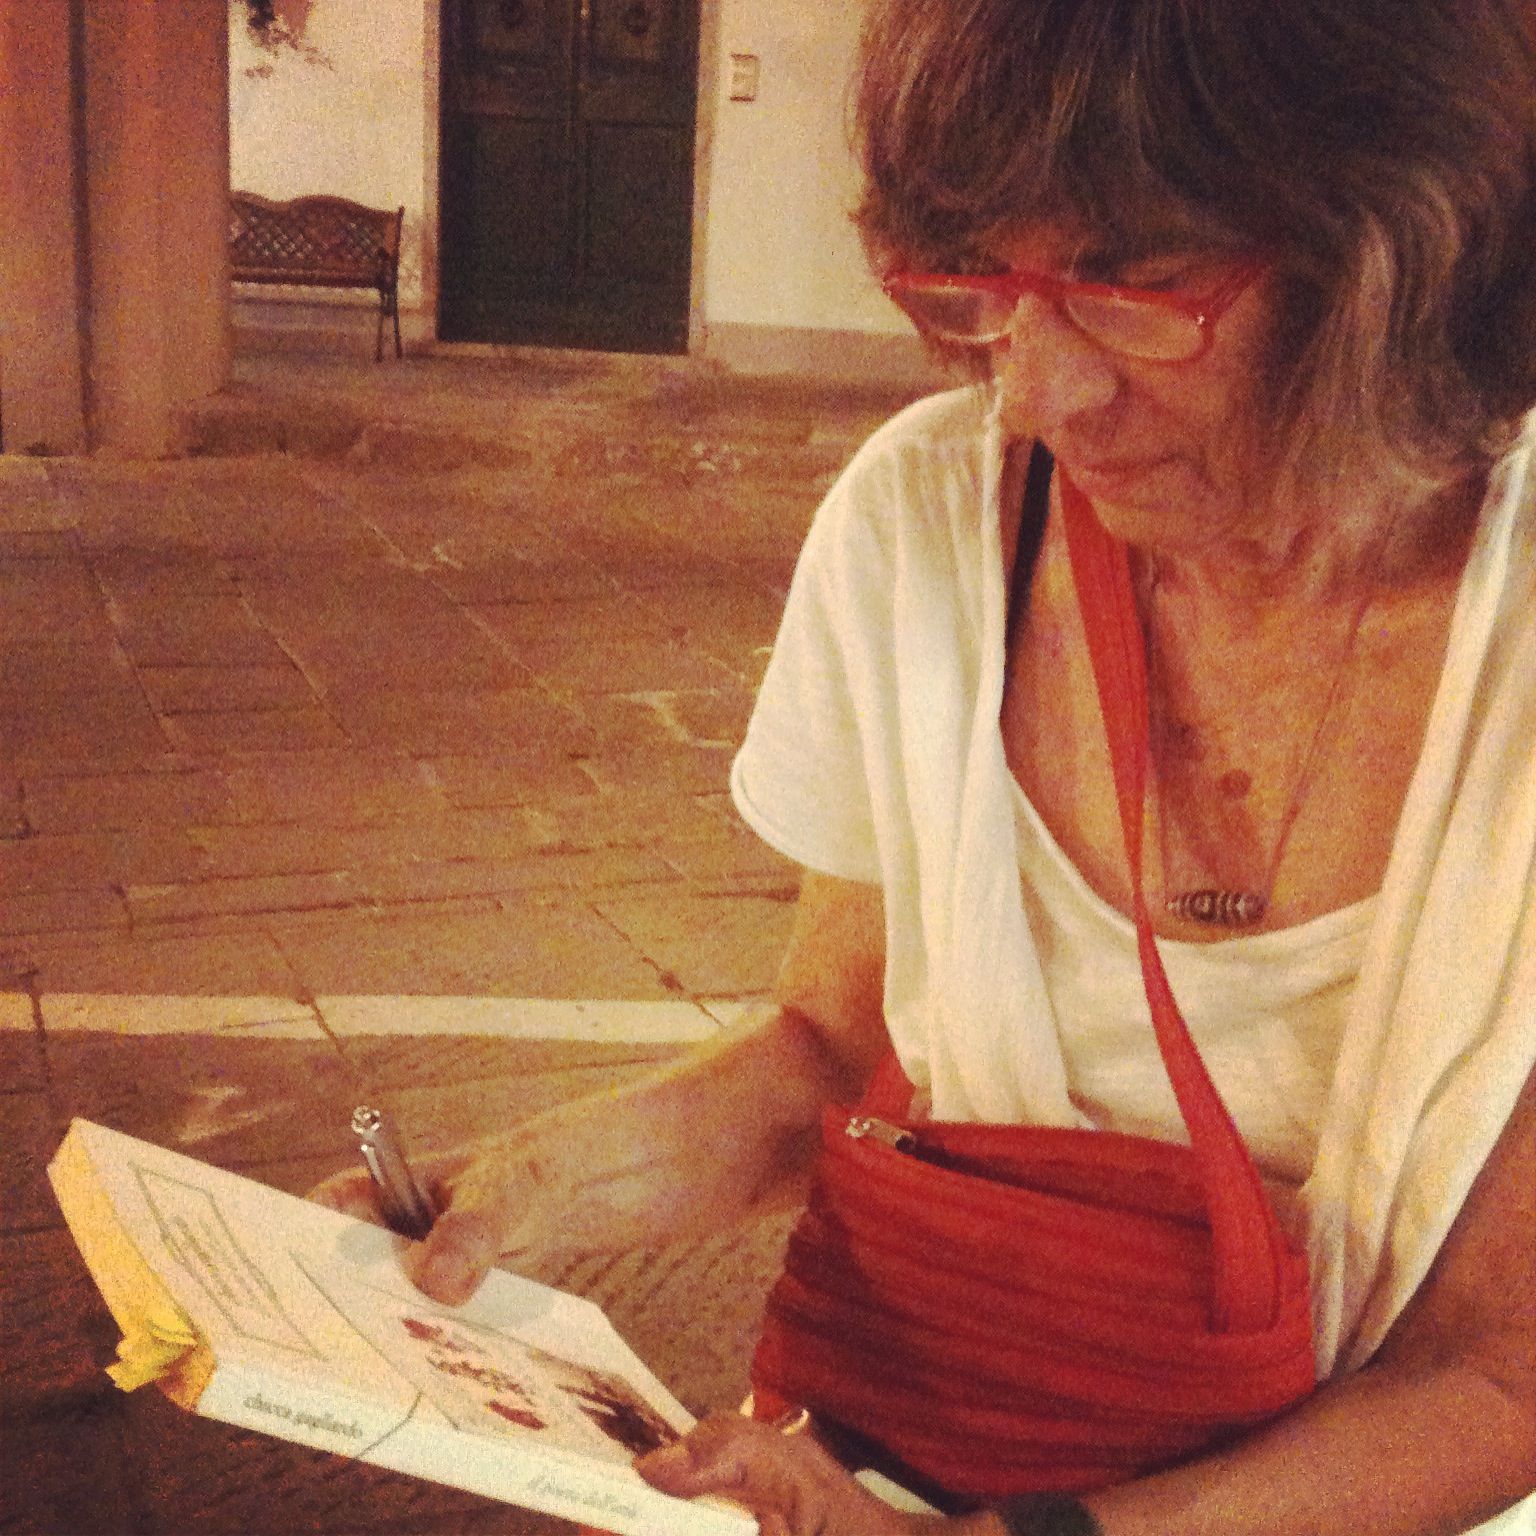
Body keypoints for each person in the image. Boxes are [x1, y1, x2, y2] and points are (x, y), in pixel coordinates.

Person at [314, 1, 1536, 1531]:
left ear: (1409, 259)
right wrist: (529, 1192)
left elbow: (1502, 1375)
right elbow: (832, 1051)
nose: (1035, 394)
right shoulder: (925, 523)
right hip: (895, 1452)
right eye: (978, 283)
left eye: (1136, 279)